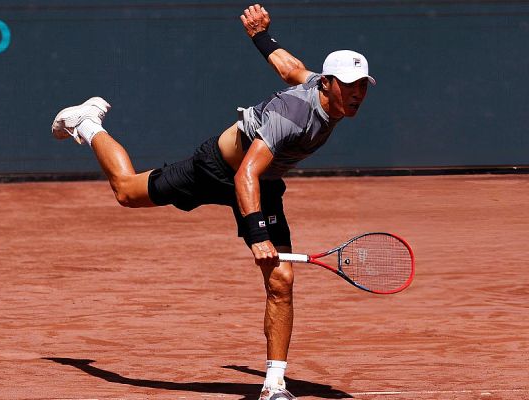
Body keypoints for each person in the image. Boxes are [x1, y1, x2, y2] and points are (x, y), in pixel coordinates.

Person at [50, 4, 374, 399]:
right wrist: (258, 236)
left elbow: (291, 68)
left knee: (281, 280)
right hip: (217, 169)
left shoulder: (321, 91)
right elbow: (244, 175)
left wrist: (260, 36)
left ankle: (274, 385)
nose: (357, 94)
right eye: (349, 85)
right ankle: (87, 123)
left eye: (362, 86)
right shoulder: (292, 115)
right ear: (327, 84)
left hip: (263, 184)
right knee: (126, 192)